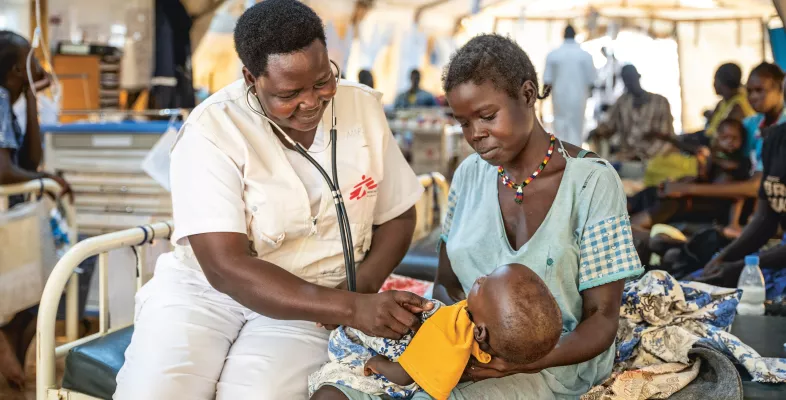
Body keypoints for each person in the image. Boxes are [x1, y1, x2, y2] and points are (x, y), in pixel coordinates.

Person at [113, 2, 431, 399]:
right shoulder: (212, 129)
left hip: (314, 301)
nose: (312, 101)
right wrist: (351, 308)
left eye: (321, 81)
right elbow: (225, 267)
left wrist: (356, 291)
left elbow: (398, 215)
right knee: (158, 390)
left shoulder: (362, 107)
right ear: (251, 78)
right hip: (205, 295)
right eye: (289, 93)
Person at [329, 33, 644, 400]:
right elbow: (446, 284)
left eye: (487, 116)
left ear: (528, 95)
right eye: (463, 122)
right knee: (336, 391)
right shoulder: (468, 175)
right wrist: (439, 327)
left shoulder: (592, 182)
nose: (475, 134)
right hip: (465, 349)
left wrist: (521, 362)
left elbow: (602, 320)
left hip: (556, 363)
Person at [309, 264, 562, 399]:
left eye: (484, 285)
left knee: (329, 393)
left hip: (398, 380)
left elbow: (404, 375)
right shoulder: (488, 342)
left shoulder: (454, 328)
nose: (480, 279)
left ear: (481, 332)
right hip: (421, 373)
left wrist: (377, 364)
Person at [0, 30, 71, 390]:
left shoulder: (6, 99)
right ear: (15, 68)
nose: (40, 66)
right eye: (32, 60)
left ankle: (7, 354)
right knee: (40, 286)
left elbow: (29, 159)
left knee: (33, 292)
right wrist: (44, 181)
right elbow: (3, 169)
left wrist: (29, 93)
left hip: (10, 216)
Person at [661, 63, 786, 201]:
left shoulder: (781, 129)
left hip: (768, 202)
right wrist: (708, 157)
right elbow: (724, 150)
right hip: (744, 191)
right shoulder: (752, 123)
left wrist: (686, 189)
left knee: (675, 199)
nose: (753, 97)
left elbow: (756, 186)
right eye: (749, 91)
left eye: (759, 90)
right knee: (661, 194)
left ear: (780, 89)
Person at [697, 121, 786, 287]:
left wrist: (742, 266)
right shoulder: (775, 139)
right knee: (697, 279)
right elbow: (765, 219)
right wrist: (722, 259)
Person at [629, 118, 751, 233]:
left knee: (669, 204)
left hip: (713, 206)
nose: (729, 142)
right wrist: (679, 182)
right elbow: (701, 178)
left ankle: (627, 229)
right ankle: (617, 217)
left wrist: (733, 223)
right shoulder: (714, 157)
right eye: (725, 138)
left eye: (734, 138)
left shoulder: (739, 163)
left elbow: (735, 192)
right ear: (717, 138)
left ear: (742, 140)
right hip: (699, 198)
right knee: (651, 192)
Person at [589, 64, 675, 161]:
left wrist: (644, 155)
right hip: (627, 156)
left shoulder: (660, 102)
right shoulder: (622, 102)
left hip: (656, 156)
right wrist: (596, 132)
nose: (629, 82)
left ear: (638, 77)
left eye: (631, 77)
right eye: (625, 79)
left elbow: (667, 134)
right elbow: (608, 126)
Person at [543, 25, 597, 146]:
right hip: (579, 98)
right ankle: (576, 156)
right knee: (577, 127)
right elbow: (592, 81)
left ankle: (561, 156)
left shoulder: (553, 54)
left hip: (559, 98)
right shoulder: (585, 55)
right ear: (575, 35)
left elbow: (547, 81)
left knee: (560, 126)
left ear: (563, 35)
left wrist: (542, 99)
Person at [703, 63, 755, 140]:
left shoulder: (738, 107)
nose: (713, 84)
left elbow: (724, 138)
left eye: (715, 80)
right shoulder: (723, 102)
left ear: (723, 83)